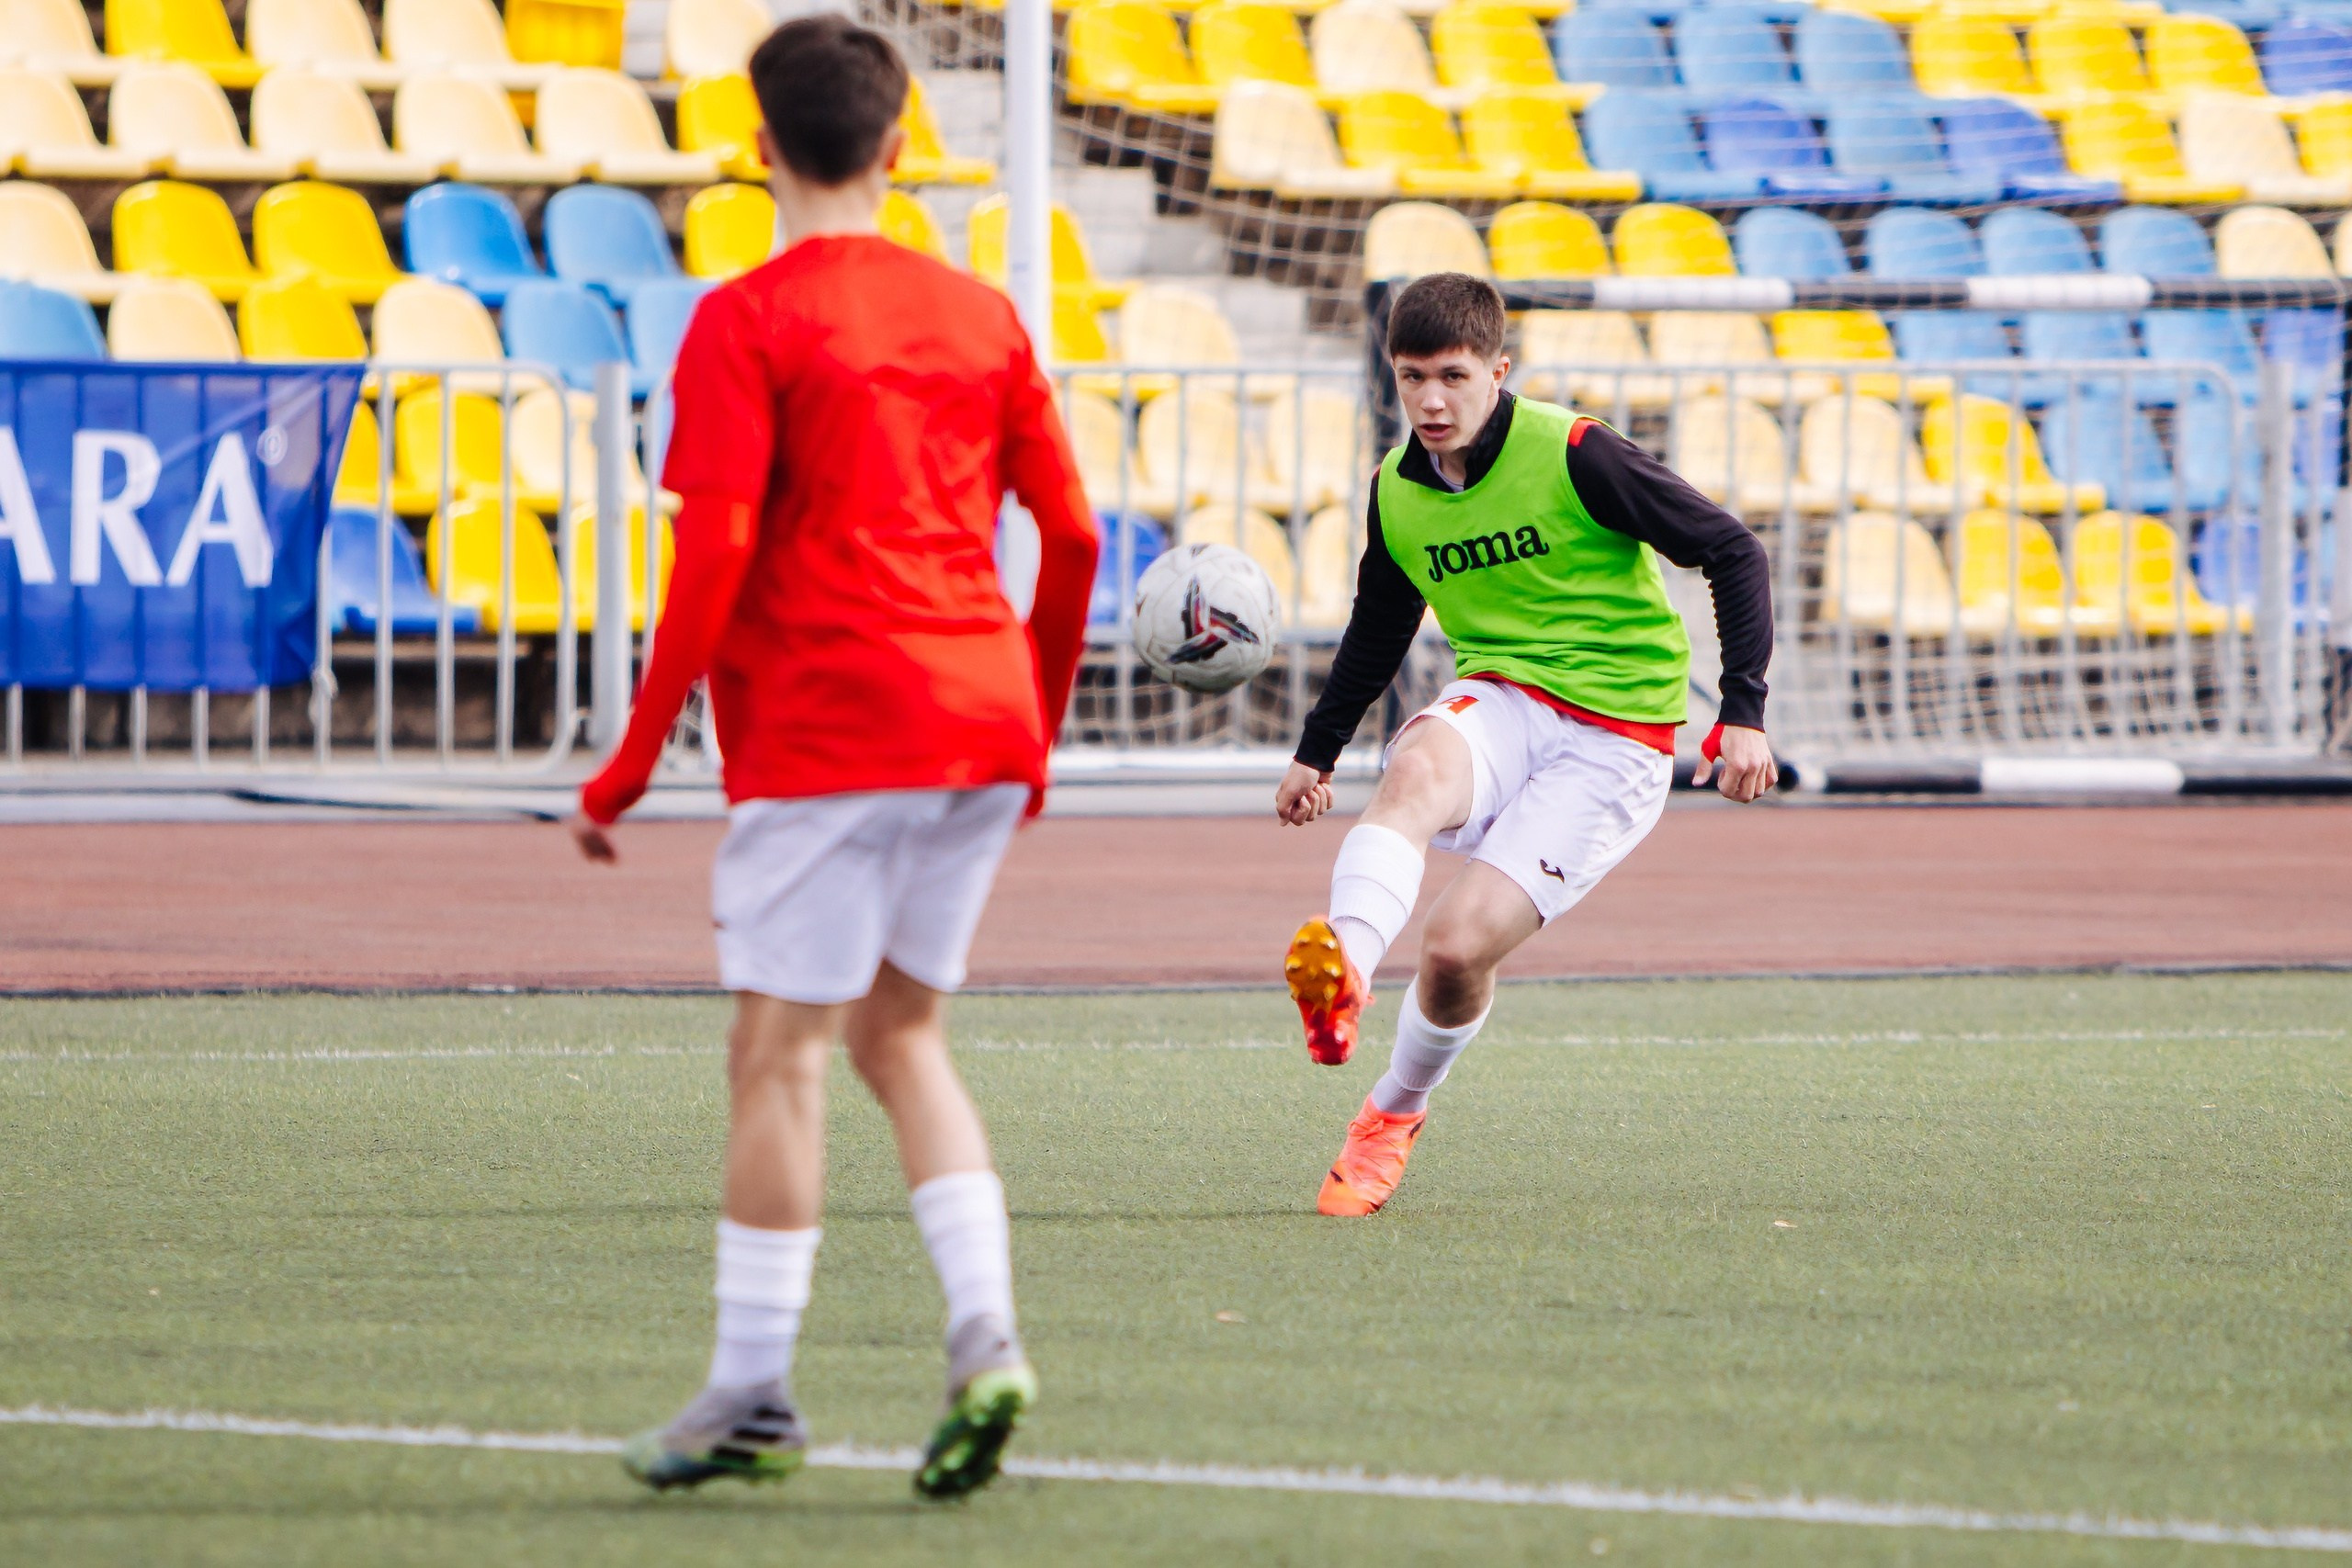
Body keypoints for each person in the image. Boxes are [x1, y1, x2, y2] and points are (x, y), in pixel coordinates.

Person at [565, 15, 1097, 1499]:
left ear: (758, 148)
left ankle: (751, 1391)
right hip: (980, 717)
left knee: (780, 1052)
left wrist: (628, 765)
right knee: (901, 1034)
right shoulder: (983, 313)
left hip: (830, 722)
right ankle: (985, 1335)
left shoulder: (743, 318)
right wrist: (1038, 722)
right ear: (902, 142)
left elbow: (714, 554)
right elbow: (1072, 536)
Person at [1276, 272, 1777, 1217]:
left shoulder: (1576, 453)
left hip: (1614, 737)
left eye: (1453, 376)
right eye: (1411, 376)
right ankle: (1344, 974)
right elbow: (1379, 624)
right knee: (1415, 769)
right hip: (1504, 695)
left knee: (1456, 952)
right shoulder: (1395, 489)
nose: (1430, 401)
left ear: (1497, 372)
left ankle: (1391, 1115)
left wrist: (1741, 711)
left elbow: (1733, 550)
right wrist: (1318, 750)